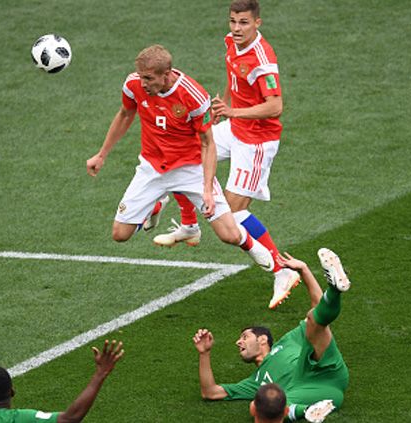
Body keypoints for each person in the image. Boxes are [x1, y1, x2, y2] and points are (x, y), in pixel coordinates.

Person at [146, 0, 299, 309]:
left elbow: (275, 106)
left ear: (258, 23)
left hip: (257, 141)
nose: (236, 28)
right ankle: (185, 222)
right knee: (185, 146)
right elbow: (234, 79)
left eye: (243, 23)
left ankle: (282, 271)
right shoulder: (231, 42)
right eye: (233, 21)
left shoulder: (262, 59)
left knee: (231, 211)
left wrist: (233, 110)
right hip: (236, 126)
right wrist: (221, 109)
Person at [86, 44, 274, 273]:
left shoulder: (193, 96)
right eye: (141, 76)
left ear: (166, 75)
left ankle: (252, 246)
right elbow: (125, 114)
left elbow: (208, 143)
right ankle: (154, 205)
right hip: (152, 168)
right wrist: (102, 154)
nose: (144, 83)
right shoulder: (133, 84)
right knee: (119, 234)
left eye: (149, 78)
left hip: (190, 169)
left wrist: (207, 189)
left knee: (229, 235)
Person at [193, 248, 352, 422]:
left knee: (314, 320)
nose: (239, 342)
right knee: (262, 406)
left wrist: (304, 270)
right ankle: (308, 411)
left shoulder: (287, 341)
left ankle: (335, 290)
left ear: (262, 339)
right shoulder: (256, 381)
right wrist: (204, 353)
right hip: (324, 395)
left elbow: (316, 305)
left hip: (325, 369)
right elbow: (210, 392)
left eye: (245, 336)